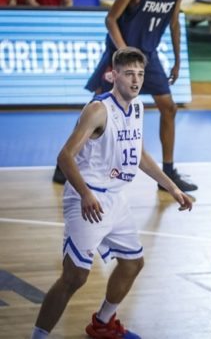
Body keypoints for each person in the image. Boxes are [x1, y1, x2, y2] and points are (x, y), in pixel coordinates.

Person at [30, 47, 194, 339]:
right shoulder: (98, 110)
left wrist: (172, 187)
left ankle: (103, 322)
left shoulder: (138, 107)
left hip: (115, 198)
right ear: (113, 75)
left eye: (140, 74)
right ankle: (38, 336)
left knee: (133, 263)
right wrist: (85, 194)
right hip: (88, 197)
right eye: (129, 73)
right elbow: (65, 157)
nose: (136, 80)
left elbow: (139, 154)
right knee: (74, 277)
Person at [79, 0, 197, 193]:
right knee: (97, 108)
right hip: (121, 54)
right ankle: (68, 162)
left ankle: (167, 172)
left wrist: (178, 60)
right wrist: (124, 52)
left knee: (169, 108)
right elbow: (111, 19)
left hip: (148, 57)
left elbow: (174, 24)